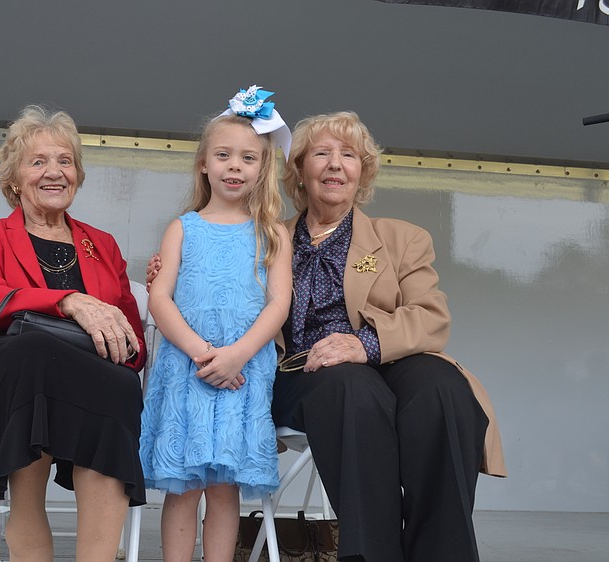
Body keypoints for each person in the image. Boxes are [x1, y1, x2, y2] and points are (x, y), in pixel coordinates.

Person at [148, 111, 506, 562]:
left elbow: (431, 317)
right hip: (306, 373)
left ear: (363, 170)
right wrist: (168, 273)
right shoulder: (272, 237)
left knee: (444, 390)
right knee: (350, 388)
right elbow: (211, 276)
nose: (336, 164)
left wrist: (365, 344)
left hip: (389, 360)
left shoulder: (403, 238)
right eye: (322, 153)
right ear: (298, 170)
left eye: (349, 155)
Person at [0, 105, 146, 562]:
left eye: (65, 161)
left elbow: (130, 336)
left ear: (77, 174)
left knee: (118, 381)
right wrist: (68, 301)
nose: (54, 172)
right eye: (38, 162)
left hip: (84, 379)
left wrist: (124, 351)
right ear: (15, 177)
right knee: (35, 352)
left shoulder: (103, 244)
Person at [139, 86, 293, 562]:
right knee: (183, 486)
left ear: (262, 168)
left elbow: (278, 305)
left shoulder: (273, 234)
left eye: (248, 158)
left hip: (242, 374)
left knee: (224, 487)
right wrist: (203, 353)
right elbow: (160, 299)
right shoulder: (182, 227)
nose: (234, 166)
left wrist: (236, 355)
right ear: (204, 163)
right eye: (223, 155)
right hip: (187, 371)